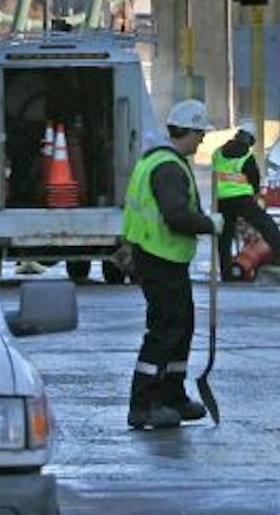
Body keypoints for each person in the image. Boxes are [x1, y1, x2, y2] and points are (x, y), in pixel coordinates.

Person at [119, 97, 221, 430]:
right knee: (164, 331)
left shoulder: (159, 161)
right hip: (158, 259)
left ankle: (172, 395)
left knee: (182, 326)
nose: (203, 139)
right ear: (188, 132)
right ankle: (144, 404)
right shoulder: (168, 167)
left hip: (161, 258)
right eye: (200, 133)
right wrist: (210, 225)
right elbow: (176, 216)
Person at [209, 117, 280, 277]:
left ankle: (226, 271)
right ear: (250, 139)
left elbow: (215, 174)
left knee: (225, 236)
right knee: (265, 223)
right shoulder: (247, 157)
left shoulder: (218, 153)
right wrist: (256, 195)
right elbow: (255, 179)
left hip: (221, 200)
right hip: (242, 199)